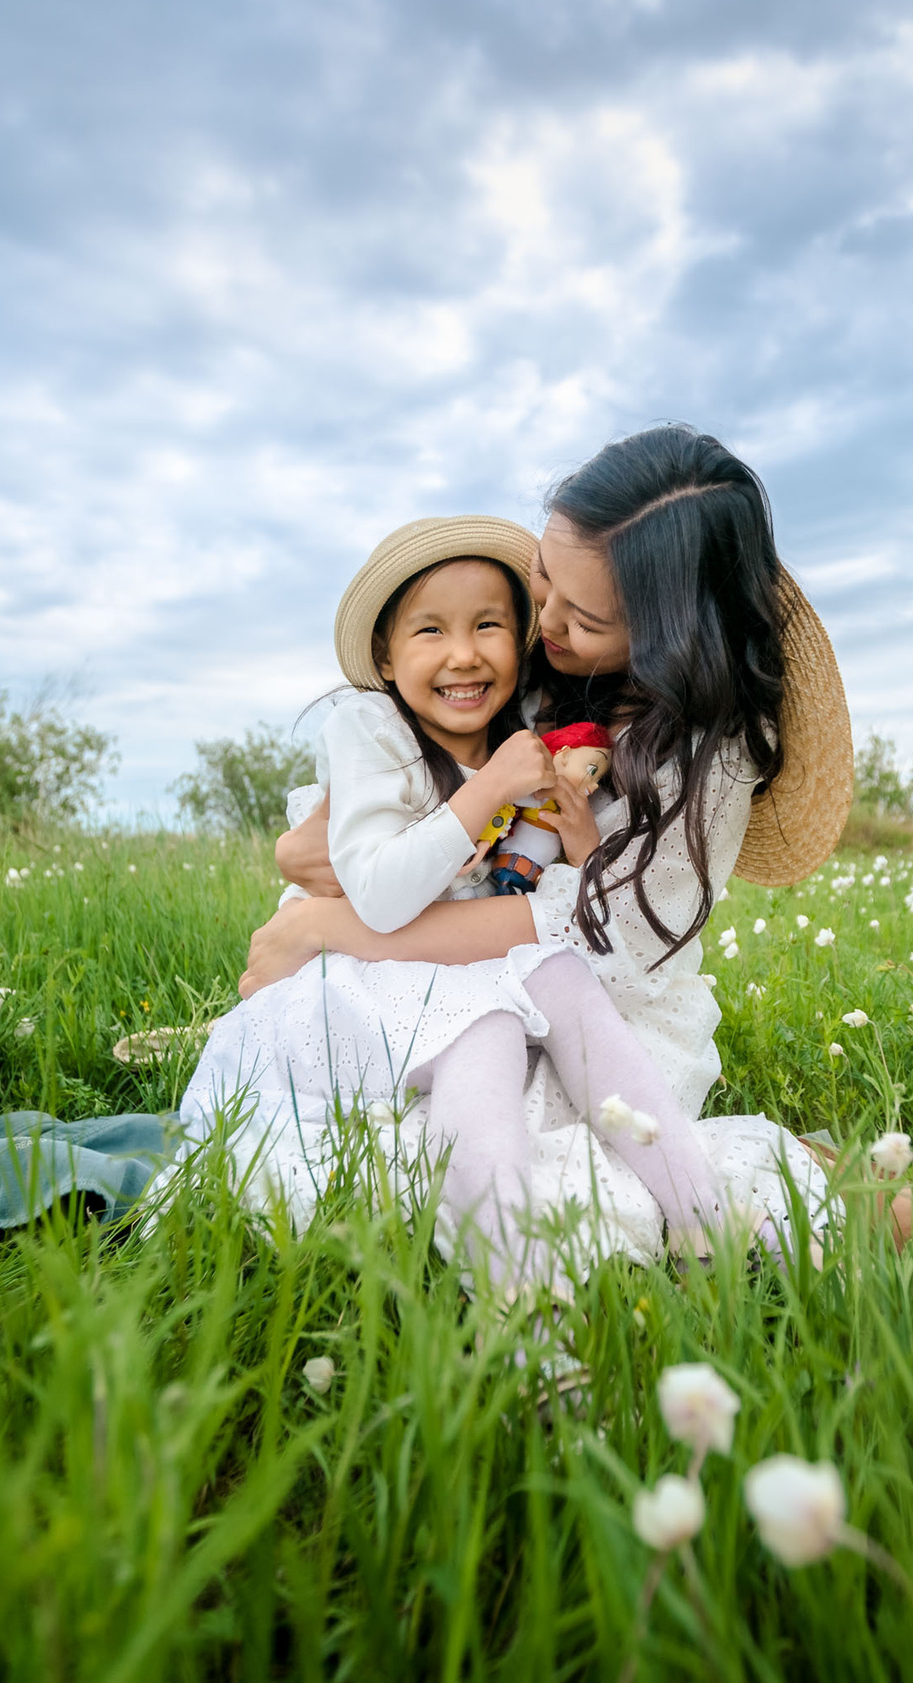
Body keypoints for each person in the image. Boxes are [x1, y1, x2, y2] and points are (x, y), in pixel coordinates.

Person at [242, 424, 856, 1271]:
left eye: (589, 618)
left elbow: (584, 936)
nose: (549, 626)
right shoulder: (511, 652)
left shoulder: (709, 755)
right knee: (412, 1112)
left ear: (670, 633)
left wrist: (328, 929)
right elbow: (336, 835)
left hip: (602, 998)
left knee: (506, 1157)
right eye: (544, 582)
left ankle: (754, 1199)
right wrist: (318, 868)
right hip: (458, 947)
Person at [171, 514, 737, 1293]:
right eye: (430, 629)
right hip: (357, 970)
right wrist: (492, 788)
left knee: (564, 985)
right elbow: (380, 892)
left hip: (469, 960)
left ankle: (703, 1221)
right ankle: (520, 1301)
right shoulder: (371, 729)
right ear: (384, 655)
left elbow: (555, 892)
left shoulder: (522, 729)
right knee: (486, 1028)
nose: (463, 652)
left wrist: (569, 829)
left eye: (489, 626)